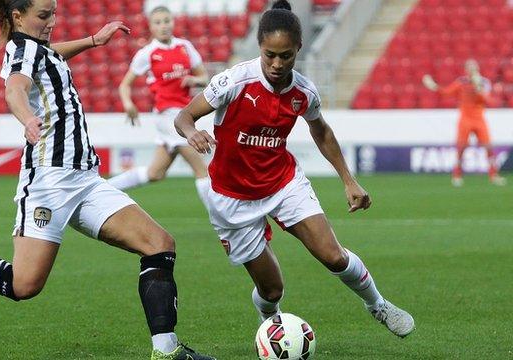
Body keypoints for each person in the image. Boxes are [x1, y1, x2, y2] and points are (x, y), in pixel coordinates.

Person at [0, 1, 214, 359]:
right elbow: (15, 89)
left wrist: (92, 40)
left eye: (53, 13)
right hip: (49, 182)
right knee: (22, 284)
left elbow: (50, 52)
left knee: (159, 244)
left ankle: (166, 350)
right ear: (18, 16)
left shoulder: (36, 48)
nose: (52, 21)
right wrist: (26, 118)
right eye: (43, 15)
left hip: (85, 178)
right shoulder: (22, 50)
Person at [174, 0, 415, 339]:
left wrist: (349, 180)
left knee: (333, 256)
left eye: (285, 56)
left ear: (298, 49)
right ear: (260, 46)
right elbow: (183, 116)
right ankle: (269, 322)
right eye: (269, 54)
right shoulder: (233, 81)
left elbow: (321, 131)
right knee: (272, 292)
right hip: (232, 198)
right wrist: (192, 132)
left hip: (282, 184)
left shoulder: (303, 91)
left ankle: (377, 304)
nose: (276, 63)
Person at [107, 6, 211, 209]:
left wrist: (194, 80)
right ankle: (222, 222)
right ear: (151, 27)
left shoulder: (185, 47)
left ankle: (104, 188)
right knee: (202, 170)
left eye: (166, 21)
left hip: (184, 114)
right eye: (158, 22)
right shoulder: (147, 53)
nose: (163, 26)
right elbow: (125, 85)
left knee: (155, 173)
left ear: (173, 22)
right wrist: (129, 104)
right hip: (167, 116)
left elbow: (205, 77)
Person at [422, 59, 506, 186]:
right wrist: (434, 86)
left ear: (478, 68)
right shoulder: (461, 82)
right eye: (469, 67)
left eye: (474, 67)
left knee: (488, 148)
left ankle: (494, 175)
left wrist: (479, 90)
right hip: (465, 120)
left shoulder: (484, 82)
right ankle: (457, 175)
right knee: (461, 148)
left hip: (479, 119)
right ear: (466, 70)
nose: (472, 69)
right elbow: (446, 93)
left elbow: (490, 101)